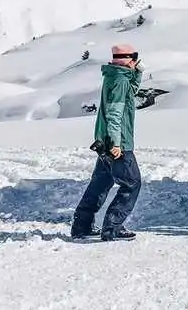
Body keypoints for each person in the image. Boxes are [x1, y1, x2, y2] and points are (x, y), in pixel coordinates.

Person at [70, 43, 144, 241]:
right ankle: (113, 227)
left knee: (100, 184)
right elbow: (114, 113)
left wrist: (137, 73)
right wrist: (116, 143)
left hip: (104, 140)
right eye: (135, 57)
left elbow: (131, 92)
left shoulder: (114, 76)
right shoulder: (120, 80)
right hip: (117, 142)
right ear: (129, 57)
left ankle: (82, 226)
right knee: (132, 184)